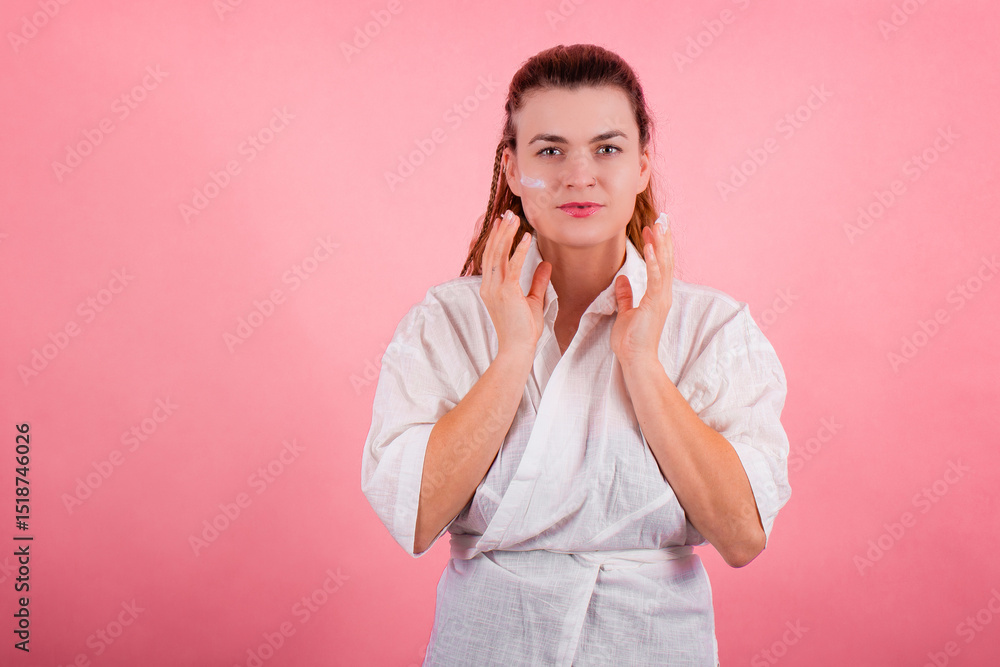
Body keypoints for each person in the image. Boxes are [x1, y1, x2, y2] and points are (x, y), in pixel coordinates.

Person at [361, 43, 791, 666]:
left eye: (607, 149)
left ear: (643, 165)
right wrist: (513, 354)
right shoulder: (448, 321)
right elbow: (418, 517)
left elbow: (743, 535)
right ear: (512, 169)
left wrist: (642, 364)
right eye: (550, 150)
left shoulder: (713, 328)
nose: (579, 175)